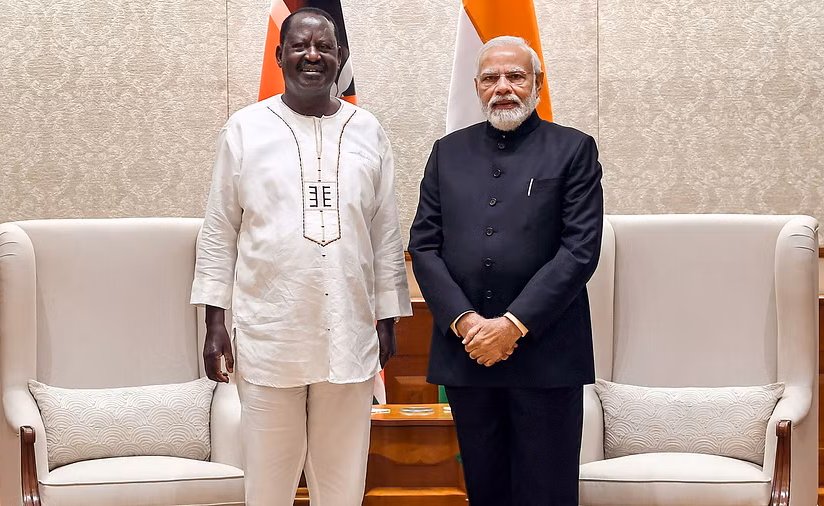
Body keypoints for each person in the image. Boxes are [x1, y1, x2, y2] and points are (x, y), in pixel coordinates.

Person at [190, 7, 412, 505]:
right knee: (268, 487)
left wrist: (388, 317)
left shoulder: (368, 130)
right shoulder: (244, 129)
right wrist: (214, 323)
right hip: (270, 336)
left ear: (341, 57)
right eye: (300, 46)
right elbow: (220, 231)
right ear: (280, 56)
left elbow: (384, 231)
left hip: (350, 334)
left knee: (343, 485)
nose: (312, 55)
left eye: (324, 47)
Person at [408, 35, 604, 505]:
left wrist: (512, 326)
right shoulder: (447, 152)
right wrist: (467, 323)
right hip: (469, 353)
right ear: (476, 86)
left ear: (537, 83)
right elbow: (424, 245)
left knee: (547, 493)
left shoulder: (573, 149)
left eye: (515, 76)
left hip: (546, 355)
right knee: (485, 491)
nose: (503, 87)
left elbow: (579, 250)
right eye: (491, 78)